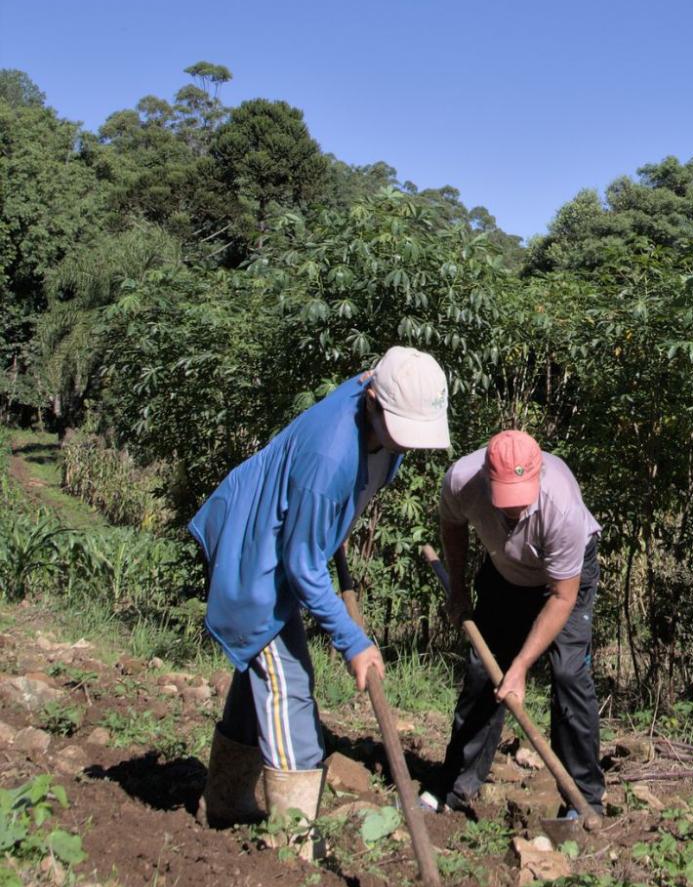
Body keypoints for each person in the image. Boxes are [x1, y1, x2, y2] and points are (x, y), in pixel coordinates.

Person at [190, 345, 451, 845]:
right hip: (255, 557)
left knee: (260, 671)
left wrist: (330, 525)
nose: (408, 444)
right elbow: (303, 567)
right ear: (373, 401)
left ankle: (224, 801)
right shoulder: (330, 457)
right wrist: (352, 641)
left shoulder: (374, 400)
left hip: (279, 540)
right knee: (288, 682)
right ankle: (293, 844)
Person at [437, 428, 604, 818]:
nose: (513, 509)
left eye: (521, 499)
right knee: (483, 671)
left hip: (563, 581)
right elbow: (452, 524)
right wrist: (458, 588)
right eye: (505, 498)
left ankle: (584, 800)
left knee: (568, 673)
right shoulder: (462, 480)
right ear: (486, 477)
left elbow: (562, 597)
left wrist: (521, 666)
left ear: (538, 475)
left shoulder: (561, 505)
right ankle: (456, 787)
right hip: (505, 572)